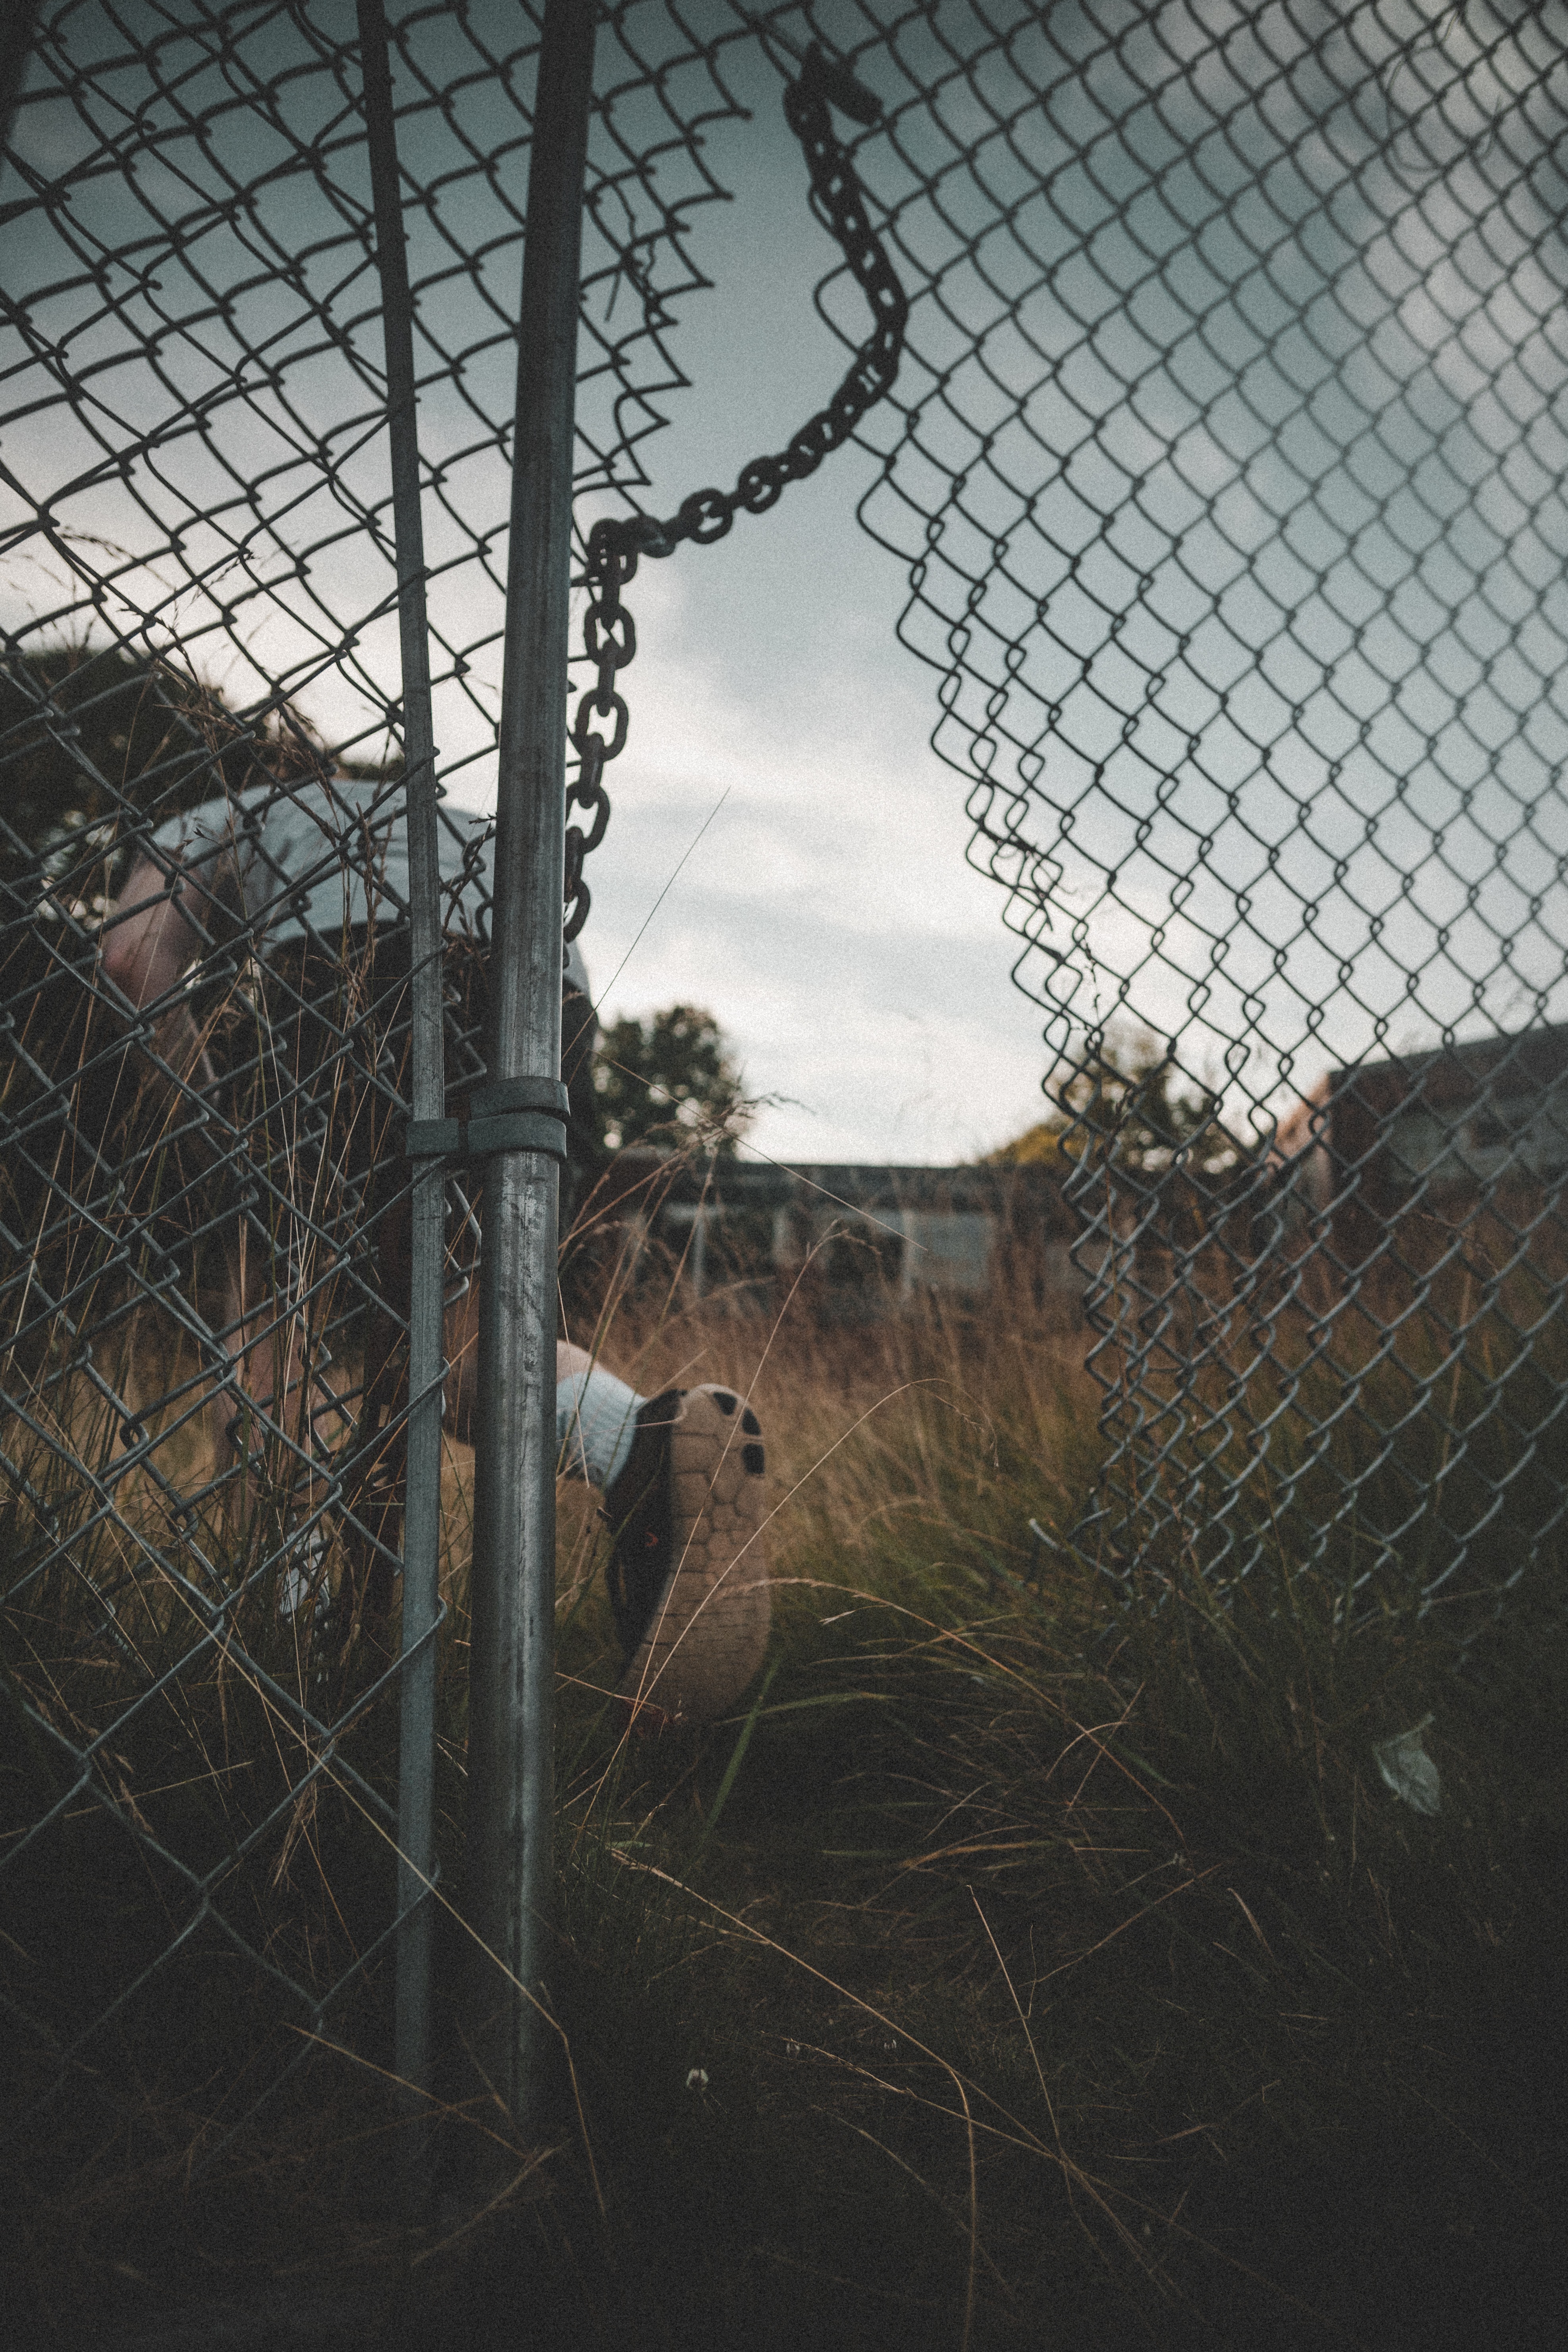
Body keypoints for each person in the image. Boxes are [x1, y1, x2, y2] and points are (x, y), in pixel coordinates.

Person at [98, 766, 770, 1727]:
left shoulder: (216, 815)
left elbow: (132, 958)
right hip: (541, 982)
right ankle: (643, 1440)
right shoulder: (460, 824)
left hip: (350, 957)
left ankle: (291, 1641)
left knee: (278, 1290)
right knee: (461, 1320)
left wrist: (209, 1119)